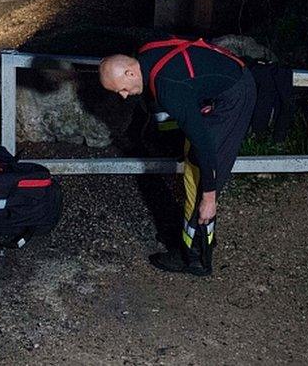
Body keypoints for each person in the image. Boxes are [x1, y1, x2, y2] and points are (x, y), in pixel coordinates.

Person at [99, 37, 256, 276]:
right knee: (191, 157)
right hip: (223, 85)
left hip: (236, 96)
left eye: (121, 88)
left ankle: (195, 258)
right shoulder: (144, 55)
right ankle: (193, 232)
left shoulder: (168, 88)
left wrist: (209, 197)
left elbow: (205, 145)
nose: (122, 95)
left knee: (200, 175)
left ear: (131, 72)